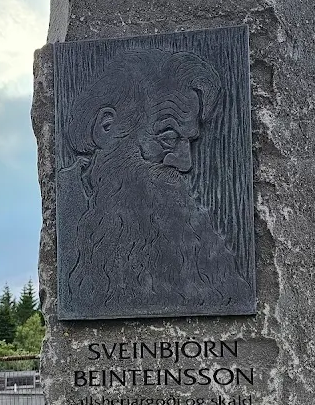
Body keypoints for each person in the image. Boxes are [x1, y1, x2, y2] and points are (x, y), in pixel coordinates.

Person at [57, 47, 252, 319]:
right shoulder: (65, 207)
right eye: (168, 137)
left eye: (189, 142)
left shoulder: (193, 230)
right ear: (107, 128)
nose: (185, 164)